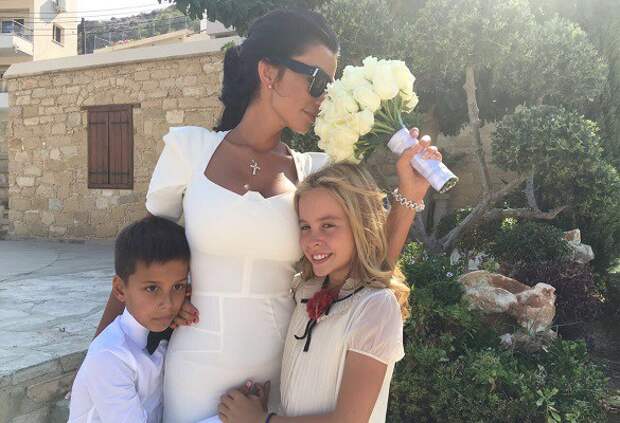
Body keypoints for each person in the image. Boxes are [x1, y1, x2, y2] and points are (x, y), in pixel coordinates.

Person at [93, 8, 441, 423]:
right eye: (317, 81)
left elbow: (366, 271)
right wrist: (100, 357)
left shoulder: (313, 173)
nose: (323, 98)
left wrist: (409, 195)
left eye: (330, 87)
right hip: (195, 371)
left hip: (278, 382)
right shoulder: (190, 153)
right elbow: (140, 258)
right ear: (269, 73)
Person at [217, 162, 415, 423]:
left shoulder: (375, 305)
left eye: (328, 225)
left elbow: (349, 420)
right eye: (305, 227)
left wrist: (261, 420)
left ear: (362, 224)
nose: (312, 240)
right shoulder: (305, 288)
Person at [68, 216, 190, 423]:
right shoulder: (110, 357)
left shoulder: (169, 334)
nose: (168, 304)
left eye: (177, 287)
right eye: (152, 288)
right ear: (120, 289)